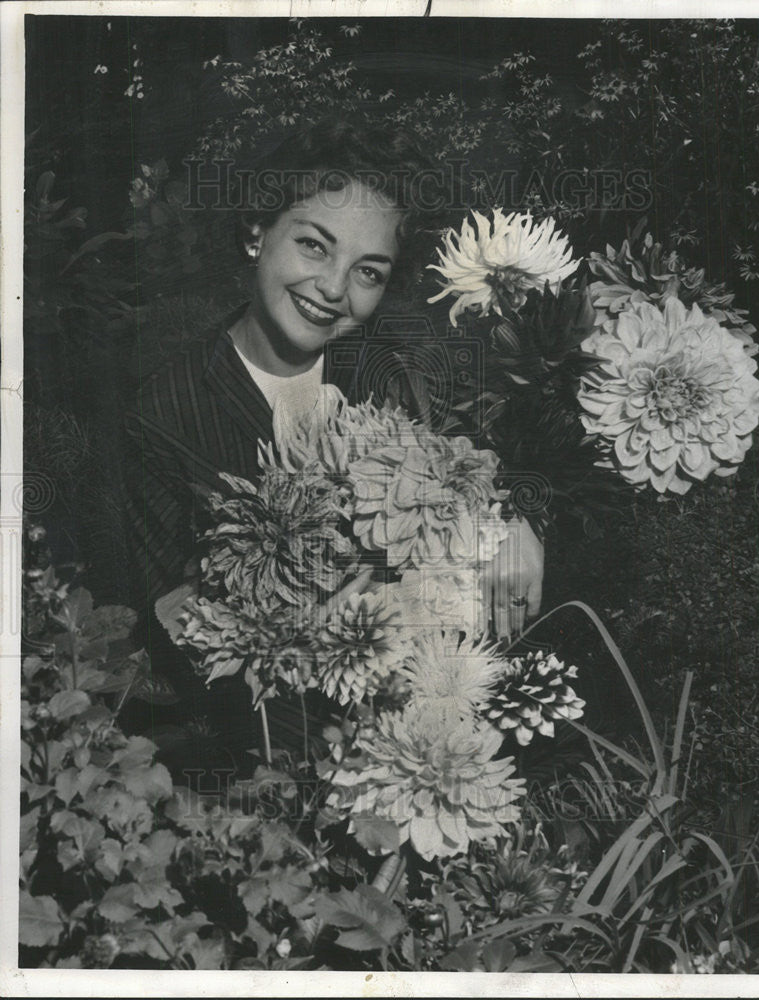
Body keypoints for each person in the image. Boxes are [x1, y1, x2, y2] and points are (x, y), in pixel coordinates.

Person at [123, 119, 545, 770]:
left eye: (367, 271)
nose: (333, 289)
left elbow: (473, 470)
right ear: (256, 231)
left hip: (439, 710)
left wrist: (510, 522)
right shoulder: (162, 414)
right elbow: (176, 638)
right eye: (315, 247)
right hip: (276, 756)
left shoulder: (392, 371)